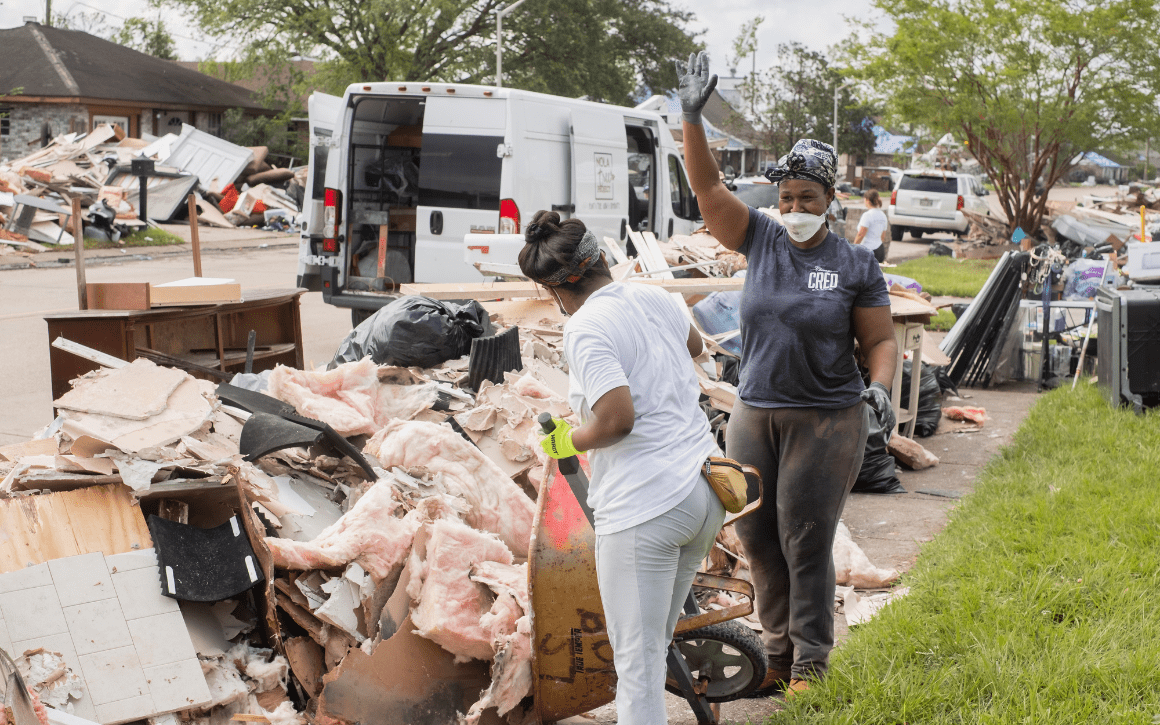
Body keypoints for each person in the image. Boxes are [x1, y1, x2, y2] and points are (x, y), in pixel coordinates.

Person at [675, 52, 899, 697]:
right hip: (755, 412)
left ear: (831, 200)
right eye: (786, 197)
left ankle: (810, 661)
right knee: (756, 536)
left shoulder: (854, 264)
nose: (794, 207)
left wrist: (880, 387)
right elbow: (709, 189)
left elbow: (880, 340)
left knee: (805, 539)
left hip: (826, 419)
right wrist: (692, 118)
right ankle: (775, 654)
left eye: (807, 197)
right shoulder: (762, 239)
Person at [522, 210, 726, 724]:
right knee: (652, 646)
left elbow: (617, 421)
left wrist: (567, 439)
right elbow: (697, 348)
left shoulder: (586, 326)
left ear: (555, 290)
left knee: (635, 664)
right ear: (602, 258)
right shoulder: (652, 295)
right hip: (702, 493)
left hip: (647, 508)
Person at [853, 189, 889, 262]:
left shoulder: (867, 215)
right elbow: (883, 236)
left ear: (867, 200)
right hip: (880, 251)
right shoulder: (883, 215)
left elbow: (861, 234)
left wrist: (853, 248)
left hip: (867, 250)